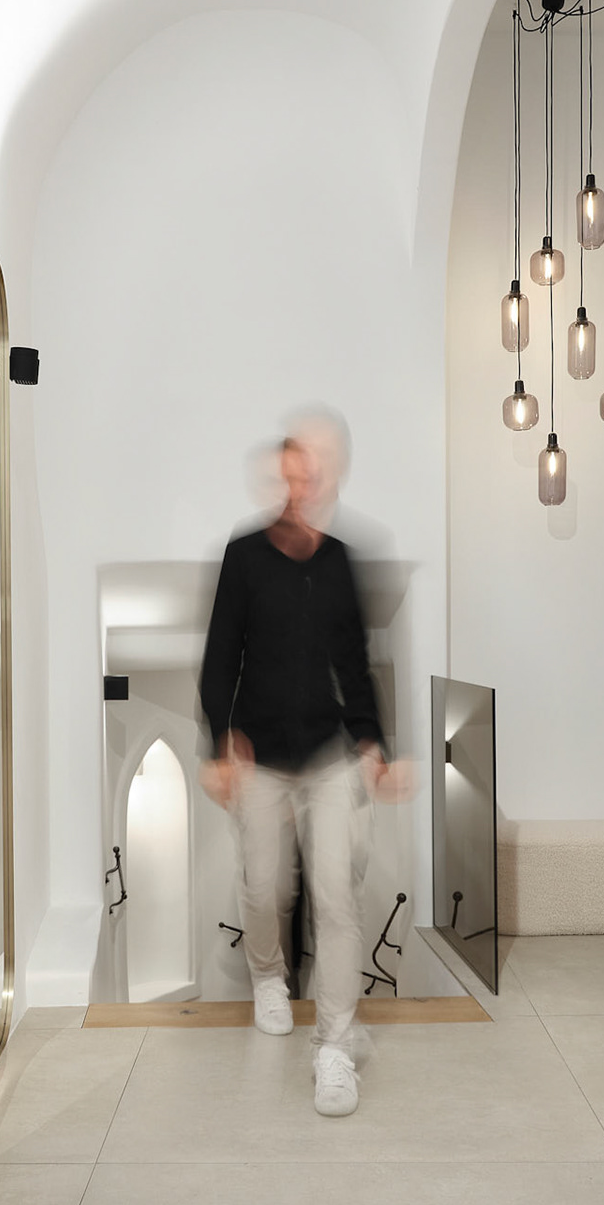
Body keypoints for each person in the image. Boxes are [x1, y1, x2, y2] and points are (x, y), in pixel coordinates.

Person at [199, 428, 403, 1117]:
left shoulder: (341, 561)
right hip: (258, 754)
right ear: (277, 482)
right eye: (288, 478)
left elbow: (354, 663)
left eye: (309, 478)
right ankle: (268, 976)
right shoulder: (244, 556)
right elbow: (221, 656)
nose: (298, 490)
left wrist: (372, 741)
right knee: (265, 887)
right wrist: (218, 742)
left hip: (328, 754)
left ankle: (335, 1050)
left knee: (337, 898)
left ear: (327, 483)